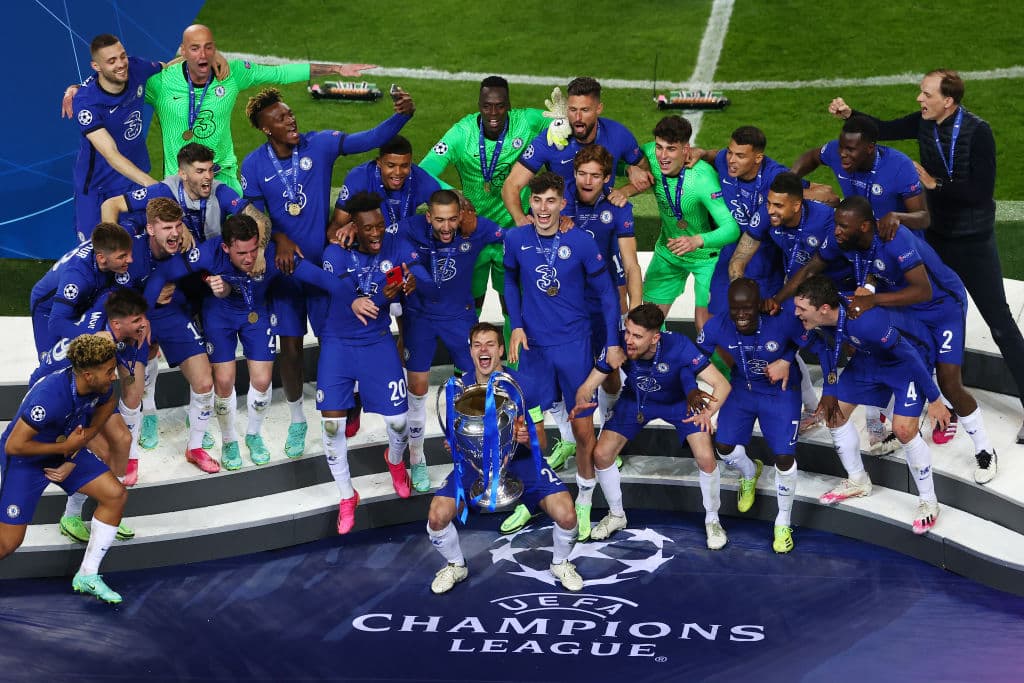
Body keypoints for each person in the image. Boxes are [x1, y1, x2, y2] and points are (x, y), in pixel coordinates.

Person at [829, 69, 1024, 444]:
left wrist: (935, 184)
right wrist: (850, 115)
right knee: (918, 311)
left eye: (926, 94)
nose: (919, 99)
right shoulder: (924, 124)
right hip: (934, 238)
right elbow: (881, 130)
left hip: (972, 240)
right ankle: (929, 397)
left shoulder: (977, 132)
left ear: (947, 101)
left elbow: (981, 191)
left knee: (999, 323)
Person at [240, 86, 414, 459]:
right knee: (289, 350)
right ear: (266, 128)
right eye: (281, 119)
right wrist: (281, 236)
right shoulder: (253, 165)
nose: (291, 120)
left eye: (289, 114)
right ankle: (298, 419)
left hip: (325, 270)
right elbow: (254, 216)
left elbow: (369, 139)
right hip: (286, 270)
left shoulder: (319, 144)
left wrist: (402, 115)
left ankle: (345, 405)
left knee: (334, 342)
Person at [779, 197, 997, 483]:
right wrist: (776, 299)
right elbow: (816, 268)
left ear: (865, 226)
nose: (836, 232)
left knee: (948, 381)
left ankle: (984, 449)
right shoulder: (848, 240)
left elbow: (923, 291)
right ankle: (898, 423)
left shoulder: (895, 239)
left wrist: (872, 298)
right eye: (836, 225)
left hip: (941, 308)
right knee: (882, 352)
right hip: (903, 307)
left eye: (843, 226)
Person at [144, 213, 343, 471]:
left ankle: (253, 434)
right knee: (224, 381)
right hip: (219, 315)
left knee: (261, 380)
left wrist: (355, 297)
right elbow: (164, 272)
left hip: (256, 314)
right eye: (241, 253)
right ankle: (229, 441)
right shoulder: (208, 253)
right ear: (226, 248)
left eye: (253, 250)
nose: (249, 259)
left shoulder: (270, 254)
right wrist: (146, 312)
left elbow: (320, 278)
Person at [503, 172, 624, 541]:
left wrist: (614, 342)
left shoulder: (582, 242)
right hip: (533, 351)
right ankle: (535, 497)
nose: (543, 208)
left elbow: (606, 294)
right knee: (531, 434)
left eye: (551, 201)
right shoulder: (515, 238)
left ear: (562, 204)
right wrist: (517, 324)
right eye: (537, 200)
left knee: (585, 431)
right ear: (530, 202)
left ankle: (584, 503)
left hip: (574, 347)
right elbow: (509, 279)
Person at [426, 322, 583, 594]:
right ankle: (455, 565)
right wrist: (455, 445)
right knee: (436, 517)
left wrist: (527, 436)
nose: (483, 350)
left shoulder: (525, 386)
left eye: (490, 345)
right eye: (477, 345)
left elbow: (542, 442)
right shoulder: (459, 387)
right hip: (474, 464)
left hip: (521, 462)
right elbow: (456, 436)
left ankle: (560, 562)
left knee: (568, 515)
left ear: (501, 350)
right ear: (471, 351)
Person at [794, 275, 951, 535]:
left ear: (823, 309)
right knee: (834, 415)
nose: (796, 313)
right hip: (870, 360)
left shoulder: (865, 321)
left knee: (903, 430)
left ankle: (929, 501)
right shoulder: (829, 314)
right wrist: (831, 389)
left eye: (802, 309)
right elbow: (826, 349)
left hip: (905, 363)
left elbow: (909, 354)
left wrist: (934, 399)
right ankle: (857, 480)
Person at [570, 304, 733, 549]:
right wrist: (582, 398)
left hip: (679, 403)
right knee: (601, 455)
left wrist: (708, 413)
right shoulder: (619, 345)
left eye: (637, 336)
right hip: (637, 400)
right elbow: (588, 385)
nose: (629, 340)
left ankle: (713, 519)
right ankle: (617, 515)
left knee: (706, 458)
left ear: (655, 337)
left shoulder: (680, 345)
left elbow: (722, 384)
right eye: (627, 332)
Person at [144, 24, 375, 191]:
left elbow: (279, 73)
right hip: (179, 184)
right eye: (195, 48)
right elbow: (121, 84)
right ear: (182, 51)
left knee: (239, 245)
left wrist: (336, 69)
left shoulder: (231, 73)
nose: (203, 55)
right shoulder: (161, 82)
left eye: (208, 48)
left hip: (222, 178)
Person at [419, 77, 549, 346]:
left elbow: (570, 125)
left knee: (514, 305)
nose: (493, 113)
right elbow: (423, 171)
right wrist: (452, 192)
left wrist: (563, 118)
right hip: (472, 235)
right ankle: (467, 369)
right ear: (479, 105)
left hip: (512, 233)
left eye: (500, 106)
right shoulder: (461, 134)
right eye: (487, 106)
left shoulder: (528, 122)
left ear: (509, 106)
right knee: (470, 305)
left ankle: (513, 371)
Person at [0, 336, 129, 604]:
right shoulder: (49, 397)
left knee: (115, 495)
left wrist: (83, 440)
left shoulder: (99, 385)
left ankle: (87, 575)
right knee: (8, 543)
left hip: (64, 447)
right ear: (87, 375)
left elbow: (108, 403)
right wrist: (64, 450)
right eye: (108, 371)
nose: (114, 376)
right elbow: (14, 446)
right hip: (26, 459)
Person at [538, 144, 642, 475]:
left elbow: (630, 264)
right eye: (582, 173)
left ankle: (607, 436)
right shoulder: (558, 201)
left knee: (609, 373)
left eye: (595, 175)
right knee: (557, 375)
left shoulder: (618, 207)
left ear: (607, 178)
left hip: (602, 303)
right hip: (561, 306)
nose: (587, 180)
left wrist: (635, 309)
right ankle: (571, 437)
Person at [318, 192, 417, 533]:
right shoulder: (334, 252)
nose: (376, 234)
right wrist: (383, 296)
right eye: (368, 228)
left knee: (400, 422)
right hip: (338, 344)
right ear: (352, 228)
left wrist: (411, 284)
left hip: (377, 343)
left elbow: (416, 275)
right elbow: (355, 300)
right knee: (331, 427)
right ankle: (347, 495)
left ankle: (394, 461)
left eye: (380, 226)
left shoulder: (396, 245)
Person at [397, 190, 506, 492]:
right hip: (420, 318)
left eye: (453, 220)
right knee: (417, 389)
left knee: (475, 386)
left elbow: (512, 236)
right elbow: (394, 247)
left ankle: (473, 455)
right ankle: (416, 458)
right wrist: (417, 276)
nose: (447, 228)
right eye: (440, 221)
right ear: (428, 217)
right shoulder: (410, 228)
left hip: (460, 318)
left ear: (462, 216)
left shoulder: (477, 227)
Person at [696, 279, 807, 552]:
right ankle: (749, 471)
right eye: (736, 309)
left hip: (780, 392)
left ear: (759, 305)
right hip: (742, 389)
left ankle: (783, 522)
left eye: (747, 308)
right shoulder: (717, 324)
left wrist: (787, 359)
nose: (741, 315)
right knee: (722, 445)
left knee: (784, 457)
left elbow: (809, 334)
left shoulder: (779, 319)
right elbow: (694, 357)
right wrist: (693, 393)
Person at [31, 290, 146, 545]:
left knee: (123, 439)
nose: (143, 324)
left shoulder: (110, 327)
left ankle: (110, 507)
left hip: (87, 386)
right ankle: (70, 516)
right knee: (102, 450)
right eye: (137, 319)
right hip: (59, 394)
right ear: (117, 324)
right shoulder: (103, 341)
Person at [617, 116, 740, 331]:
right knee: (646, 322)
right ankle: (659, 363)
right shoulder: (649, 157)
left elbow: (731, 228)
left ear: (686, 150)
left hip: (707, 258)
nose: (662, 156)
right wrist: (630, 169)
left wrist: (696, 241)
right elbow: (608, 163)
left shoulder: (702, 178)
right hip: (669, 253)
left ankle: (713, 365)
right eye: (659, 147)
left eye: (671, 149)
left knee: (706, 329)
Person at [128, 198, 219, 474]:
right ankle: (135, 444)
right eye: (167, 227)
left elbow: (200, 271)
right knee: (136, 381)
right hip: (136, 311)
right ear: (151, 229)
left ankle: (195, 446)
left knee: (204, 382)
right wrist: (144, 304)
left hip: (171, 312)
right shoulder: (131, 249)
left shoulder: (185, 245)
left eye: (178, 226)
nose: (175, 233)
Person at [501, 76, 650, 227]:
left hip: (600, 223)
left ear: (599, 109)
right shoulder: (551, 140)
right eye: (573, 110)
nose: (578, 118)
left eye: (585, 110)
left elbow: (647, 174)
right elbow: (511, 184)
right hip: (558, 227)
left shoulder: (618, 135)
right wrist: (520, 218)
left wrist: (626, 189)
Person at [68, 35, 165, 242]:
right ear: (96, 66)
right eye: (111, 61)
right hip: (99, 189)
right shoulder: (87, 103)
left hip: (133, 180)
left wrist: (212, 59)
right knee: (98, 252)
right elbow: (111, 154)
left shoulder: (137, 68)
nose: (121, 64)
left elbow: (168, 67)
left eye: (122, 56)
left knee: (140, 245)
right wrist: (152, 185)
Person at [792, 115, 930, 236]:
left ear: (870, 148)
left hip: (896, 242)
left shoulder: (900, 166)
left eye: (850, 149)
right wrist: (791, 177)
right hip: (859, 238)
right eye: (841, 146)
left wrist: (897, 217)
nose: (842, 154)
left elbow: (923, 218)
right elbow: (812, 157)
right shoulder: (836, 151)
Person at [101, 142, 254, 242]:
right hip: (176, 261)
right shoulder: (165, 190)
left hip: (211, 260)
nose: (208, 176)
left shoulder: (220, 191)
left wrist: (259, 252)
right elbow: (110, 205)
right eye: (200, 171)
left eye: (210, 170)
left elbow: (255, 217)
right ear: (183, 174)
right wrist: (113, 243)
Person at [29, 222, 133, 358]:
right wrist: (93, 337)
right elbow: (56, 322)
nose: (130, 260)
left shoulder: (114, 241)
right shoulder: (77, 277)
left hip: (84, 299)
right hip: (49, 310)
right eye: (122, 257)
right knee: (54, 364)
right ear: (101, 258)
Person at [328, 135, 441, 242]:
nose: (398, 173)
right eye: (391, 166)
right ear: (379, 162)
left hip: (404, 244)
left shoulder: (422, 180)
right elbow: (337, 225)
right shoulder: (359, 178)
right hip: (369, 242)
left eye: (404, 166)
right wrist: (350, 228)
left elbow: (447, 212)